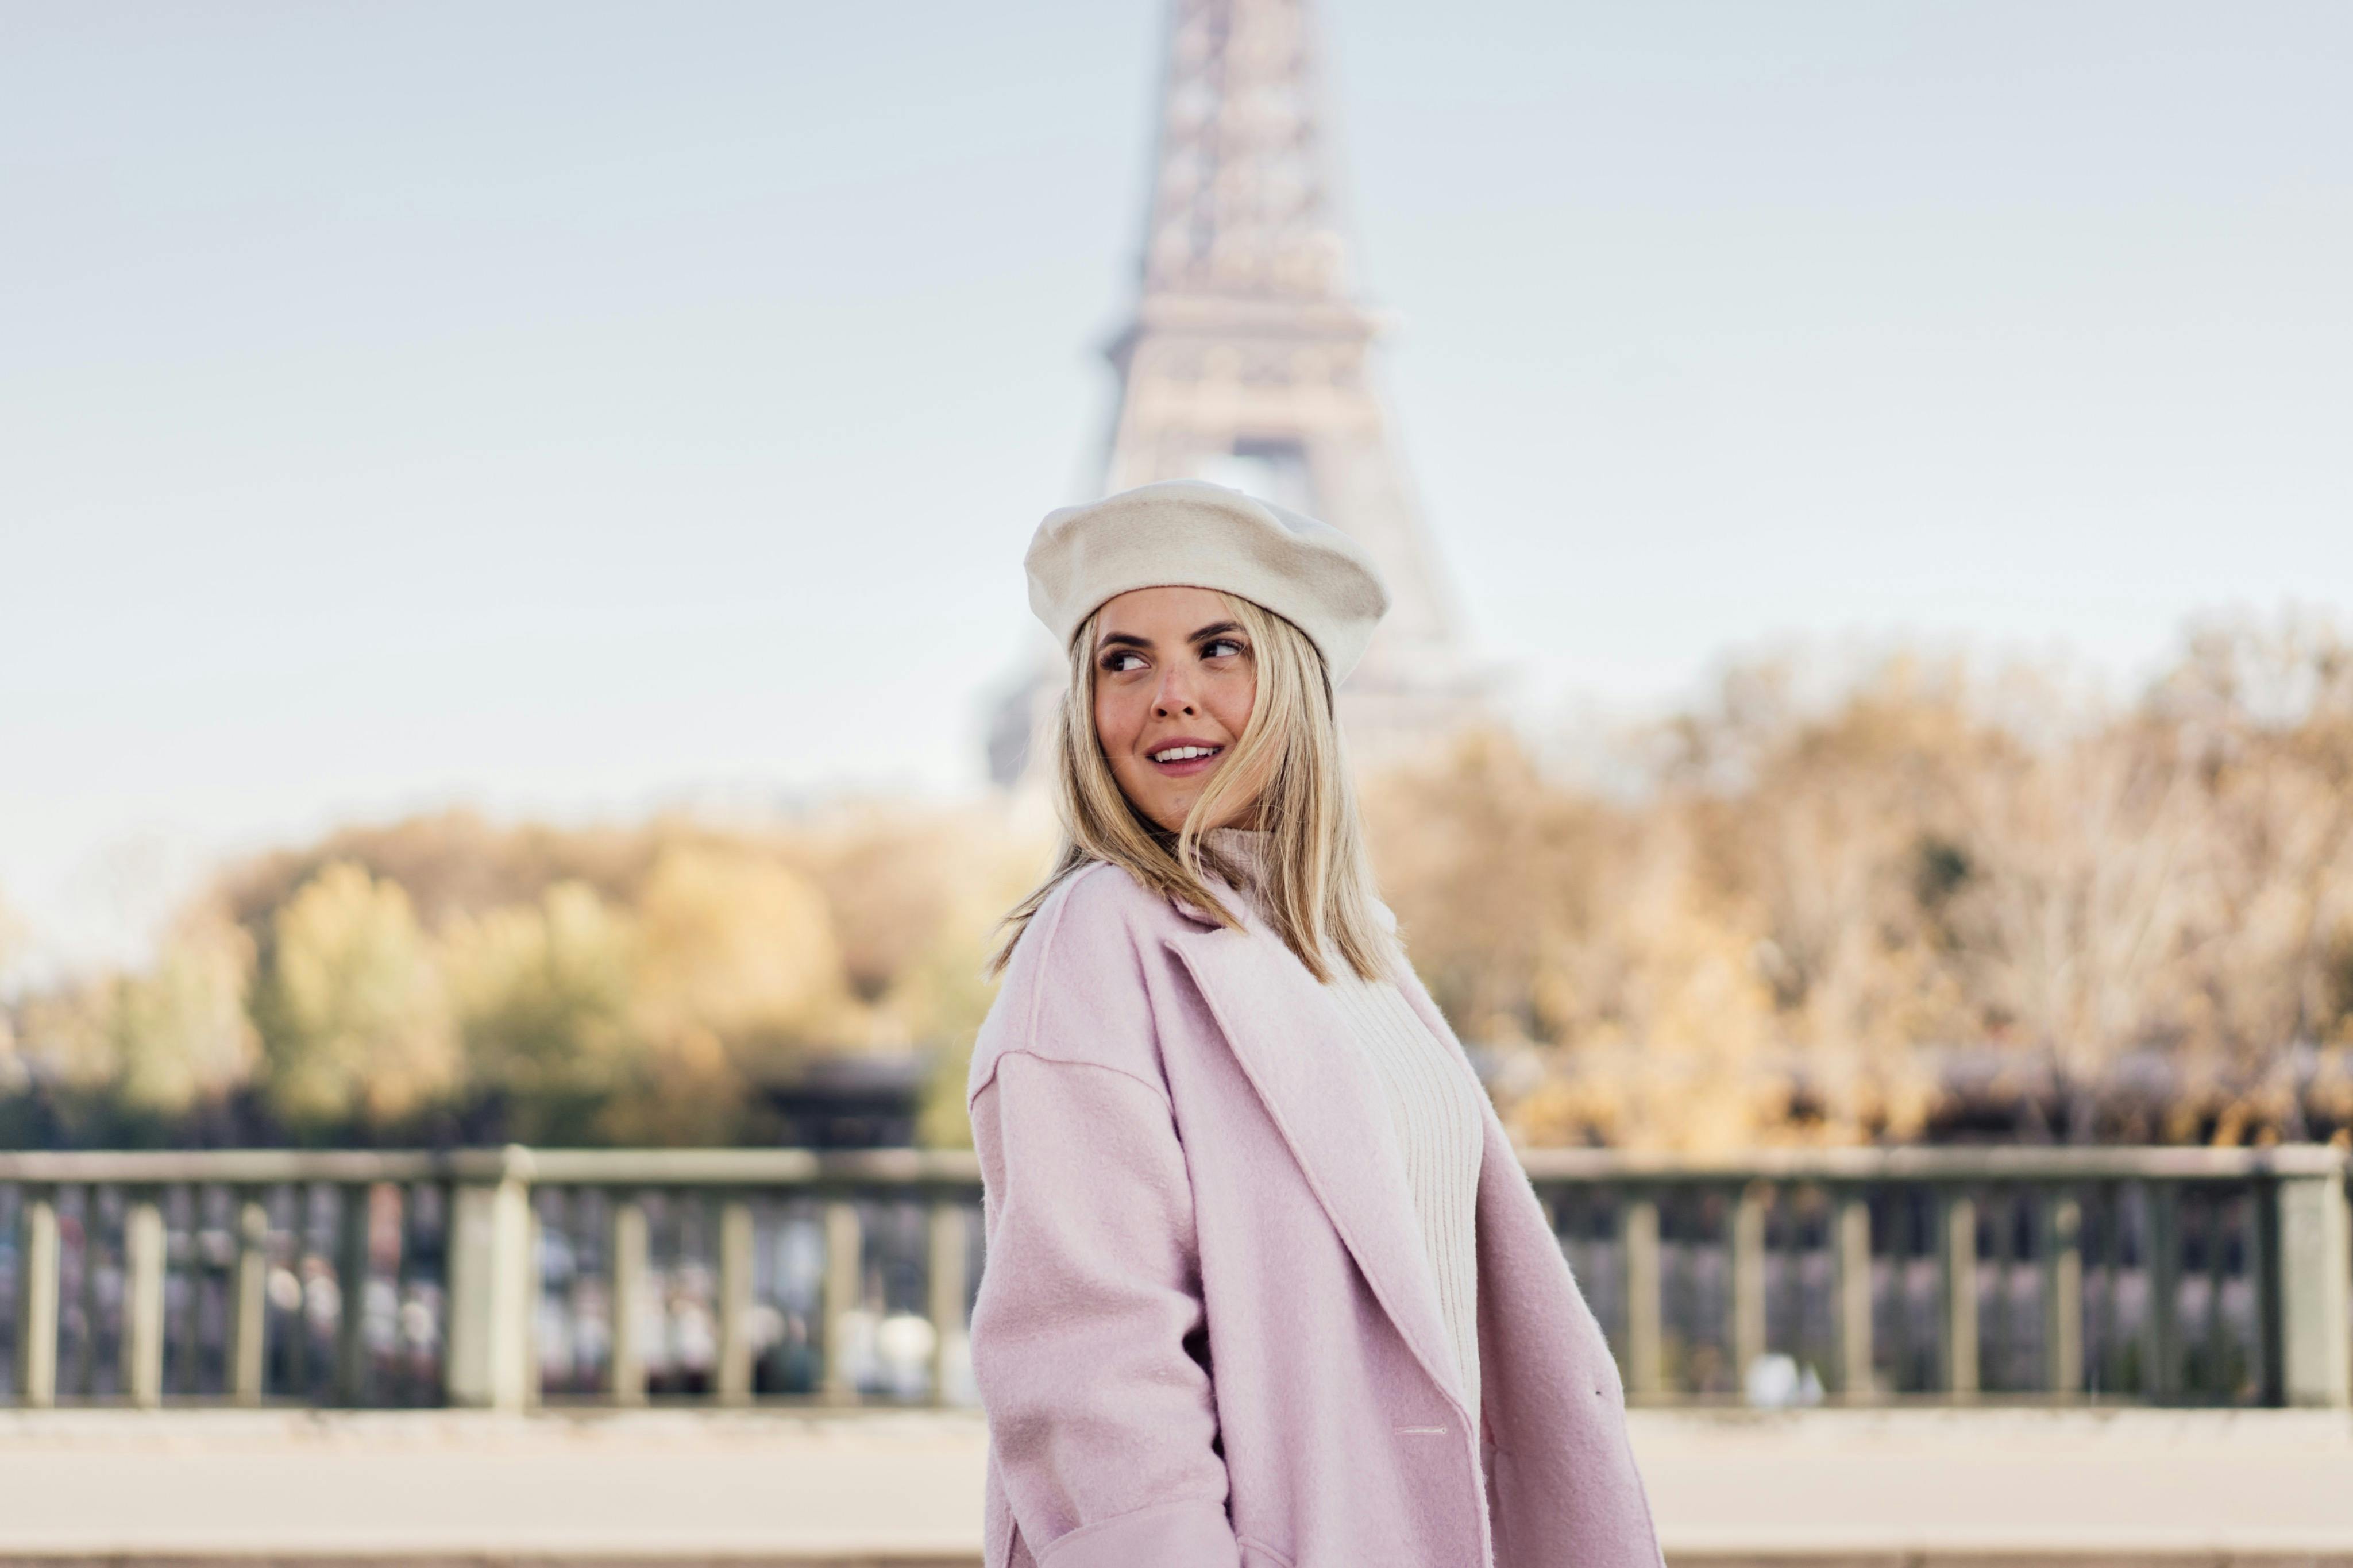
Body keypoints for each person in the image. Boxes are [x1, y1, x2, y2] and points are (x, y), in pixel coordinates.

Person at [966, 480, 1662, 1568]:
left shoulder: (1347, 950)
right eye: (1125, 659)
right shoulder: (1099, 937)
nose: (1171, 695)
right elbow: (1095, 1359)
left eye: (1219, 648)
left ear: (1293, 683)